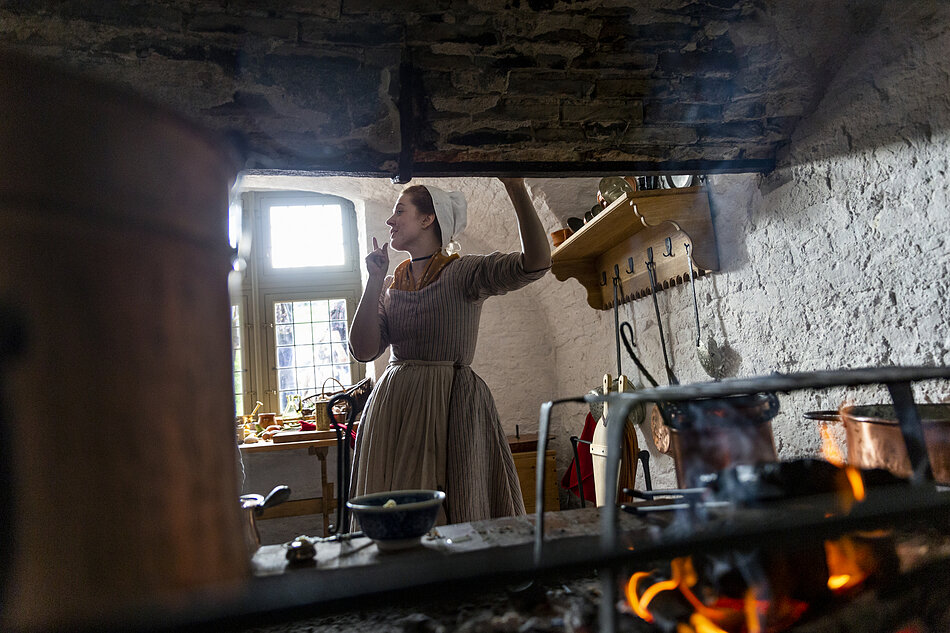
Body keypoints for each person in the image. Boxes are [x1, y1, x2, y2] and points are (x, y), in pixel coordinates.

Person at [347, 177, 551, 525]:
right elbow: (363, 350)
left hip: (453, 404)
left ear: (429, 219)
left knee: (459, 501)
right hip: (395, 408)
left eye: (400, 211)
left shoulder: (464, 272)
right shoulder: (391, 285)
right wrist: (373, 279)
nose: (390, 220)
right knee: (397, 511)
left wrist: (516, 188)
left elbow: (536, 263)